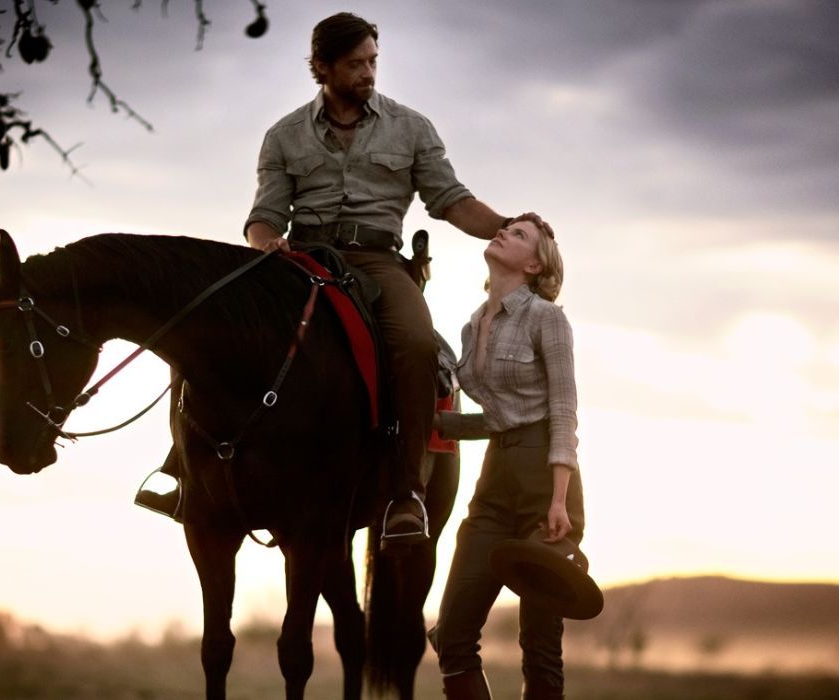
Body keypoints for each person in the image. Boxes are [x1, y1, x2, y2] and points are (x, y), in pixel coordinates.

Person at [141, 12, 517, 543]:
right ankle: (183, 471)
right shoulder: (284, 134)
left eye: (373, 62)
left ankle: (406, 492)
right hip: (303, 261)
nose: (368, 73)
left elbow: (451, 202)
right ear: (322, 67)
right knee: (215, 326)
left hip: (379, 261)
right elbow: (265, 214)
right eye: (355, 64)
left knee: (413, 343)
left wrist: (507, 224)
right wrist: (266, 242)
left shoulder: (411, 127)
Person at [432, 213, 582, 700]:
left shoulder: (547, 318)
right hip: (495, 481)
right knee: (452, 634)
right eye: (506, 228)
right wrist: (428, 422)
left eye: (518, 234)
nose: (502, 232)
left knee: (540, 645)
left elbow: (562, 413)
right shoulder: (472, 328)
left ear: (535, 264)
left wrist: (558, 501)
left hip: (546, 482)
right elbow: (497, 418)